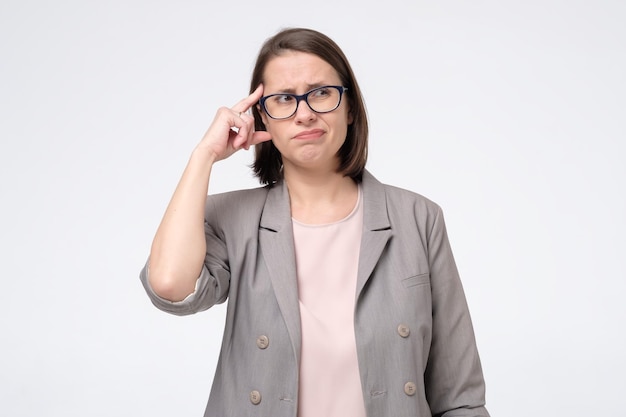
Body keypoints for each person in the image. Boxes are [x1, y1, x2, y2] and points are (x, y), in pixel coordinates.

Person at [140, 27, 490, 417]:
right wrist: (203, 154)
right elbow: (170, 286)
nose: (304, 112)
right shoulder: (233, 219)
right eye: (283, 99)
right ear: (263, 118)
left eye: (321, 92)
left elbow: (460, 397)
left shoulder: (418, 218)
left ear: (350, 106)